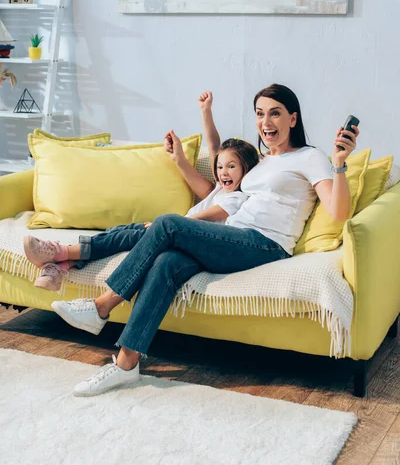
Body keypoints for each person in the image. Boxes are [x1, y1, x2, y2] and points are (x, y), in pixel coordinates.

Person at [42, 84, 359, 397]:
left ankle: (101, 306)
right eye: (260, 114)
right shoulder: (260, 160)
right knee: (167, 263)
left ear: (292, 118)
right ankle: (126, 365)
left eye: (275, 114)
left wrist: (340, 163)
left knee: (167, 224)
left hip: (265, 244)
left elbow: (338, 211)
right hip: (231, 236)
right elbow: (219, 154)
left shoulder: (310, 158)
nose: (266, 122)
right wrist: (204, 118)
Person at [24, 93, 259, 292]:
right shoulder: (217, 189)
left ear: (246, 169)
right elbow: (214, 145)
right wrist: (205, 112)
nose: (223, 172)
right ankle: (58, 267)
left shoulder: (237, 199)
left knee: (124, 236)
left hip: (180, 237)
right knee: (120, 232)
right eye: (220, 167)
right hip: (174, 232)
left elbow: (205, 218)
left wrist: (166, 225)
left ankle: (57, 252)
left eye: (231, 167)